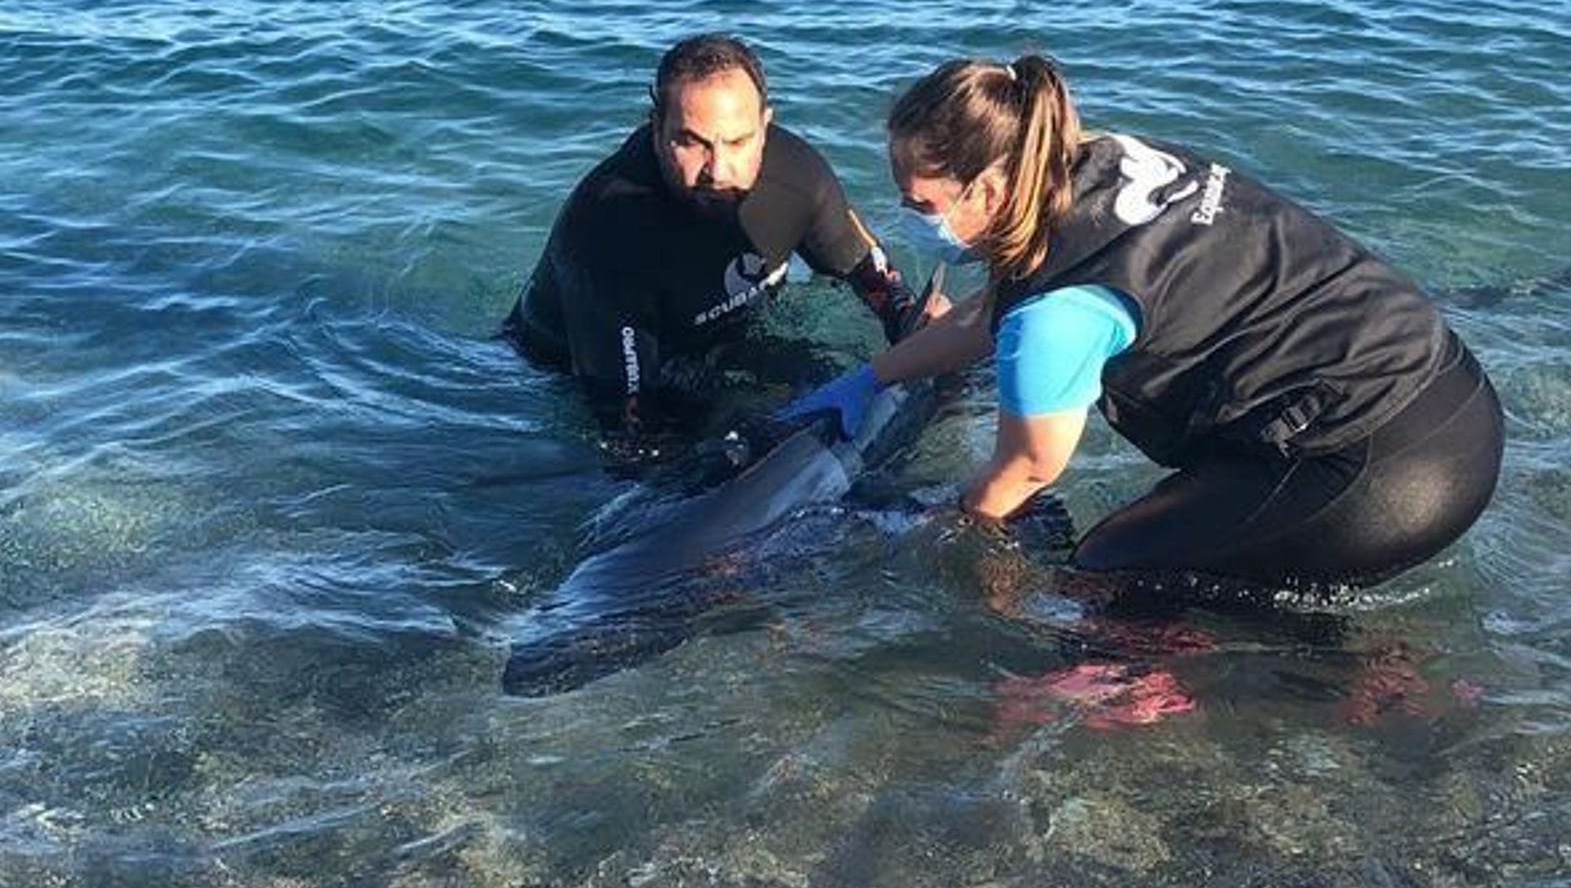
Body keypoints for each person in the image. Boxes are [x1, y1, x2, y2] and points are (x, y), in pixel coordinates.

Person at [782, 54, 1504, 592]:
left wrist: (941, 538)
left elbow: (1025, 470)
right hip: (1445, 386)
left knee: (1108, 578)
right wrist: (869, 377)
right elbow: (988, 315)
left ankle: (1296, 693)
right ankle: (1308, 650)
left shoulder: (1059, 316)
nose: (910, 216)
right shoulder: (1097, 163)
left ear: (992, 188)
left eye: (920, 203)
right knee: (1191, 552)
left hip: (1385, 467)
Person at [504, 34, 923, 433]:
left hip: (721, 343)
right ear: (656, 128)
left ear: (765, 124)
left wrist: (911, 324)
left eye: (739, 142)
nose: (718, 170)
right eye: (692, 142)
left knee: (825, 373)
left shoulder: (798, 177)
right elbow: (624, 415)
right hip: (568, 372)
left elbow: (870, 274)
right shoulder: (609, 227)